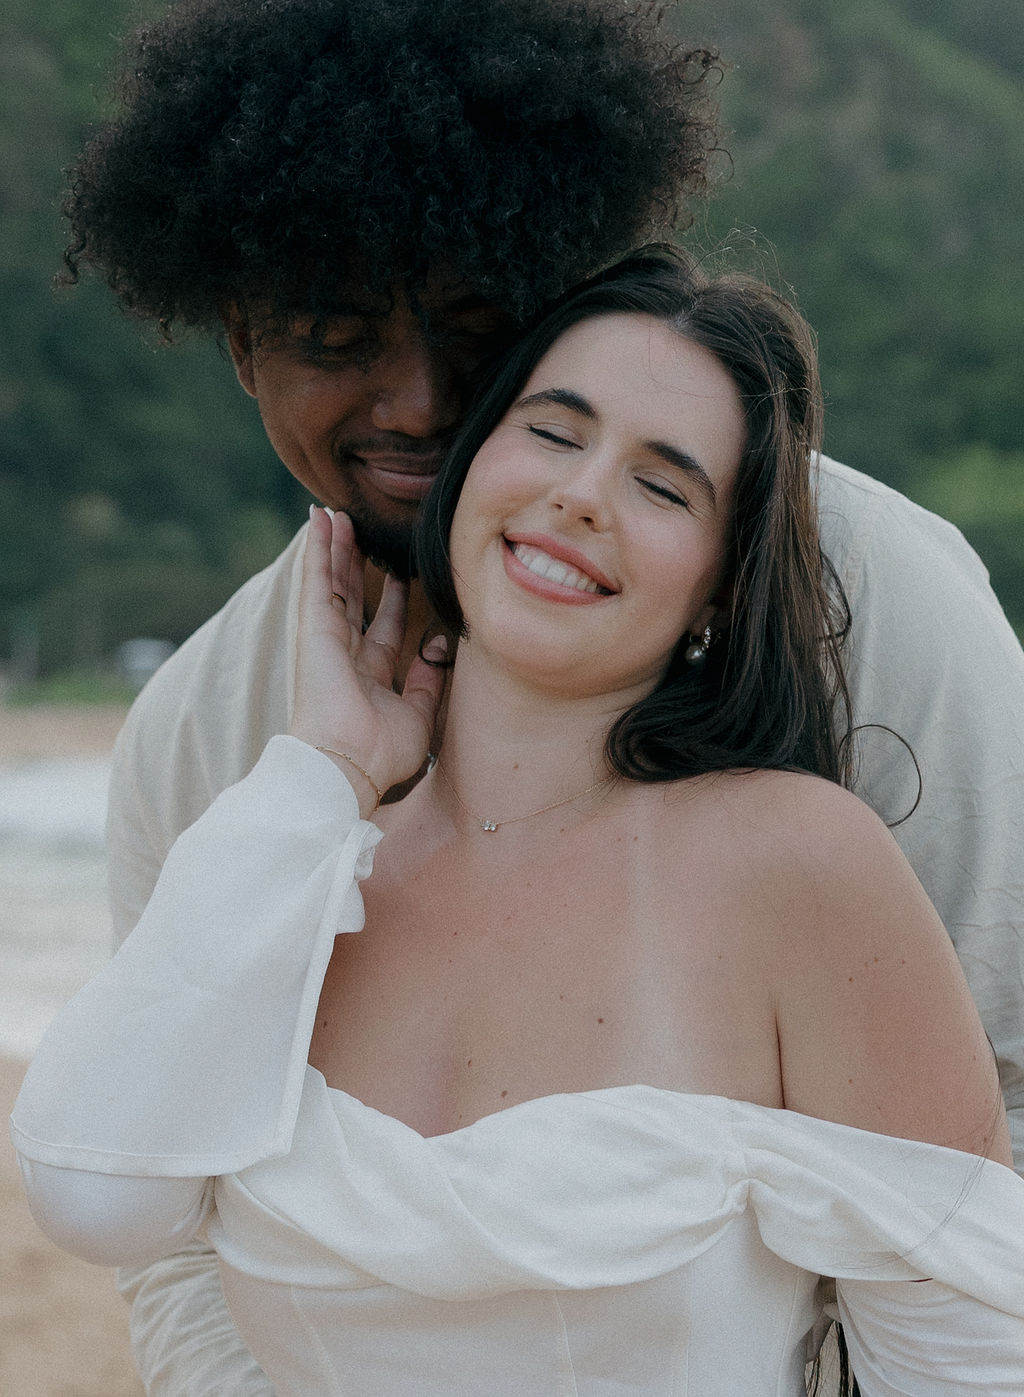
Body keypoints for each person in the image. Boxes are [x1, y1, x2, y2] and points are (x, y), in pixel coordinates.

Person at [53, 0, 1024, 1391]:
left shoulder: (880, 600)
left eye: (473, 325)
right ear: (235, 340)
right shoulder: (208, 736)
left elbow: (998, 1137)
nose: (419, 400)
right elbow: (166, 1241)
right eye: (337, 335)